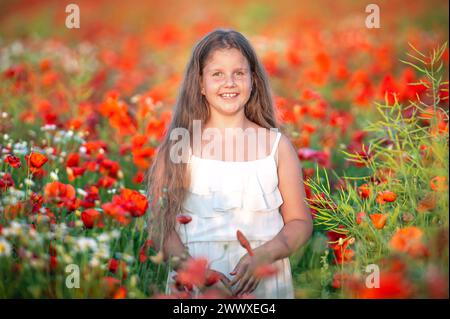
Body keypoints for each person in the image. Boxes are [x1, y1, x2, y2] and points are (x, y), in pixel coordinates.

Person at [146, 29, 313, 299]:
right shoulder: (180, 145)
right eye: (217, 74)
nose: (230, 83)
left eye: (239, 73)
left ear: (253, 81)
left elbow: (299, 221)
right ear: (199, 84)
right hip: (196, 282)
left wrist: (264, 255)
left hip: (263, 279)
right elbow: (159, 225)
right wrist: (196, 273)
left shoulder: (277, 146)